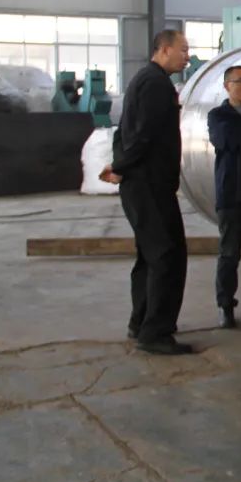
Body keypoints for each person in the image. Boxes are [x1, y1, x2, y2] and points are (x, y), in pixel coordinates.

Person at [100, 29, 192, 355]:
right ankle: (155, 333)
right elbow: (143, 135)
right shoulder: (155, 84)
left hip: (142, 184)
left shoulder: (143, 79)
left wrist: (120, 164)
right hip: (149, 185)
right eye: (183, 50)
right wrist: (120, 166)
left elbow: (123, 132)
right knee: (168, 255)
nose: (187, 57)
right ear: (164, 49)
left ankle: (140, 322)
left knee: (150, 256)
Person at [207, 65, 241, 329]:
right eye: (240, 81)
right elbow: (229, 140)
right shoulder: (218, 116)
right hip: (231, 195)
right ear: (227, 86)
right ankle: (225, 305)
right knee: (229, 254)